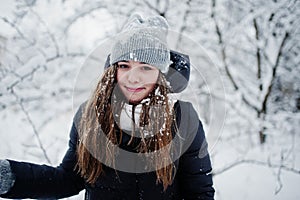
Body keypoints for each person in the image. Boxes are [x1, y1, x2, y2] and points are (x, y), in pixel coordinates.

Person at [0, 14, 215, 200]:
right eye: (124, 66)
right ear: (113, 70)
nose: (133, 77)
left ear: (160, 74)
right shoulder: (90, 116)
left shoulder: (183, 119)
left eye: (146, 67)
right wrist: (6, 176)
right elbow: (67, 179)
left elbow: (199, 194)